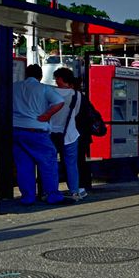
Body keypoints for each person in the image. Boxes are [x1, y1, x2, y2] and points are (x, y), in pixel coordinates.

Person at [13, 64, 66, 205]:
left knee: (24, 165)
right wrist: (47, 115)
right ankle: (52, 195)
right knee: (48, 162)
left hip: (16, 130)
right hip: (36, 130)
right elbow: (60, 101)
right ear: (40, 76)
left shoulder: (14, 87)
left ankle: (28, 197)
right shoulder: (43, 88)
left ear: (25, 75)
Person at [50, 68, 86, 200]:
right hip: (70, 134)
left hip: (51, 132)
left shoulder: (50, 92)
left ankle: (52, 191)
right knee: (71, 164)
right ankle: (74, 190)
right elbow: (75, 113)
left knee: (51, 163)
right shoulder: (77, 95)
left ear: (60, 79)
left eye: (56, 78)